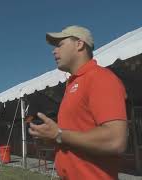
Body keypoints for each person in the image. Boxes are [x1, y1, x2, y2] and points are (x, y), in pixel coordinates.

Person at [28, 25, 127, 180]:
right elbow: (76, 135)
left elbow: (115, 140)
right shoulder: (72, 84)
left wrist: (59, 134)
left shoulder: (100, 78)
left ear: (79, 44)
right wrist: (52, 136)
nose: (54, 51)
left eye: (60, 45)